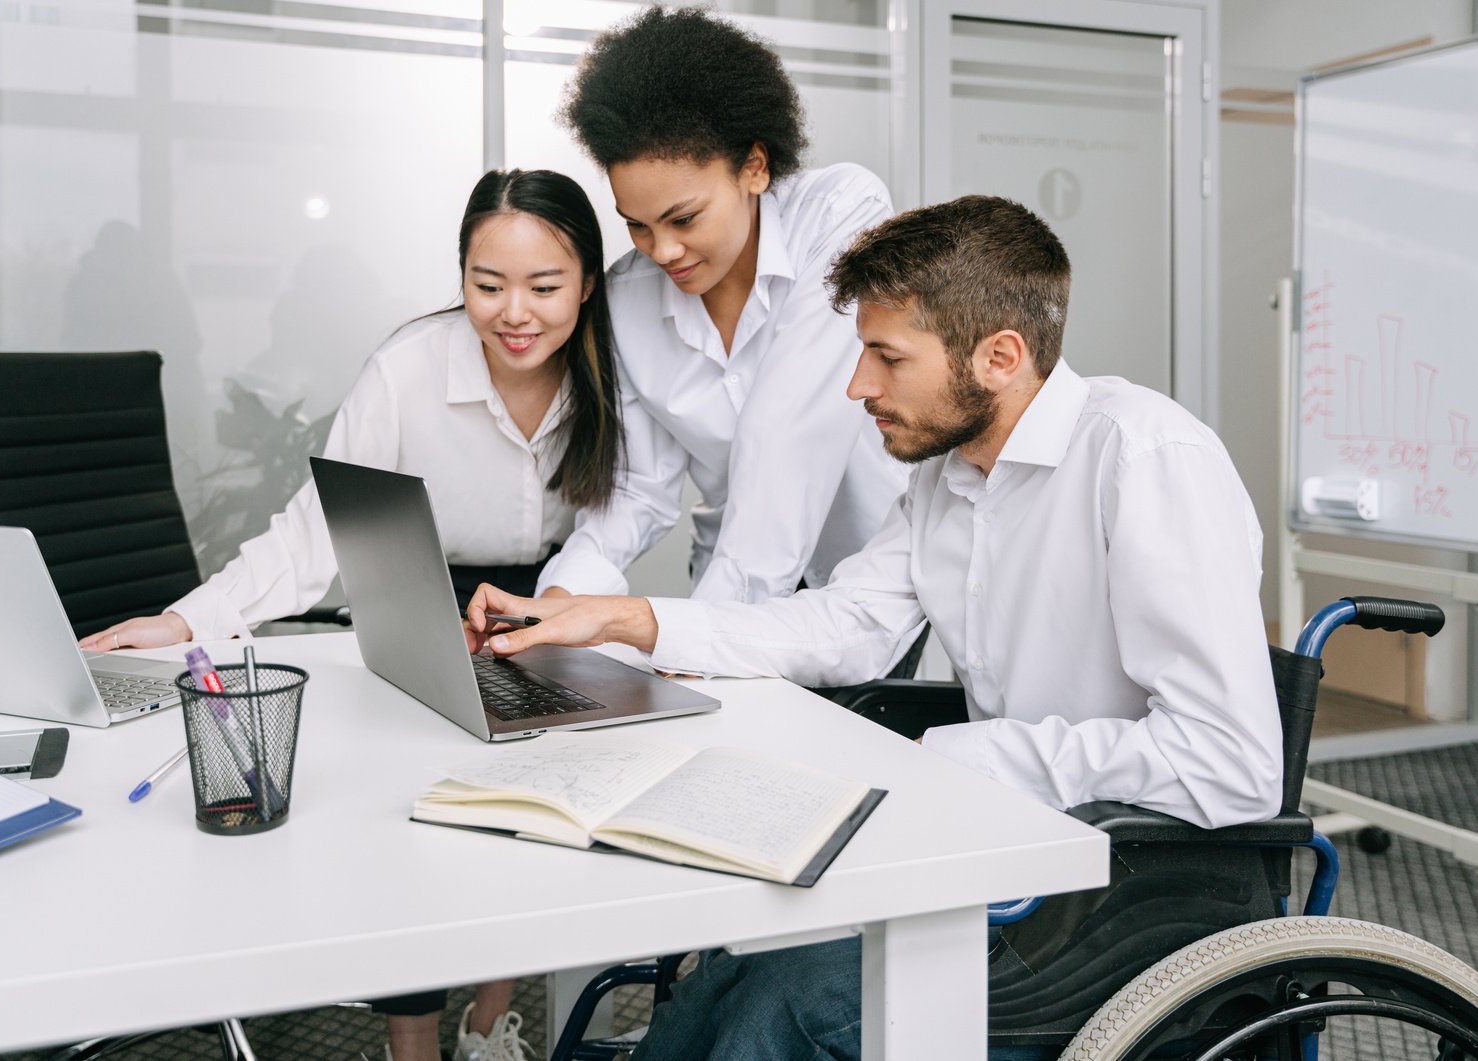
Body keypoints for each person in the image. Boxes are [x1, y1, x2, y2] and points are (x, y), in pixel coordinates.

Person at [461, 195, 1284, 1060]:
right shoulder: (949, 476)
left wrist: (975, 753)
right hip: (1014, 854)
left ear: (1000, 356)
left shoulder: (1144, 458)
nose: (857, 386)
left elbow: (1230, 765)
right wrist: (625, 619)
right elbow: (851, 622)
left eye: (885, 356)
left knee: (781, 1010)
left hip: (1136, 896)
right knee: (732, 970)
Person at [81, 168, 627, 1061]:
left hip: (548, 602)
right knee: (413, 816)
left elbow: (615, 520)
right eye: (487, 286)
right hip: (419, 593)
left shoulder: (612, 374)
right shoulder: (408, 370)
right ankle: (408, 1039)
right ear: (460, 278)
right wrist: (185, 622)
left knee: (536, 813)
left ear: (589, 284)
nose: (514, 312)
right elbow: (313, 537)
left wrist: (559, 611)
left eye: (544, 286)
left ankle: (493, 1016)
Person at [537, 7, 915, 663]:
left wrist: (693, 645)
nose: (663, 249)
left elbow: (786, 438)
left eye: (683, 217)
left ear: (755, 167)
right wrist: (562, 599)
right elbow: (637, 488)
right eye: (638, 225)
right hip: (724, 583)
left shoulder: (839, 213)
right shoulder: (627, 299)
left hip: (863, 586)